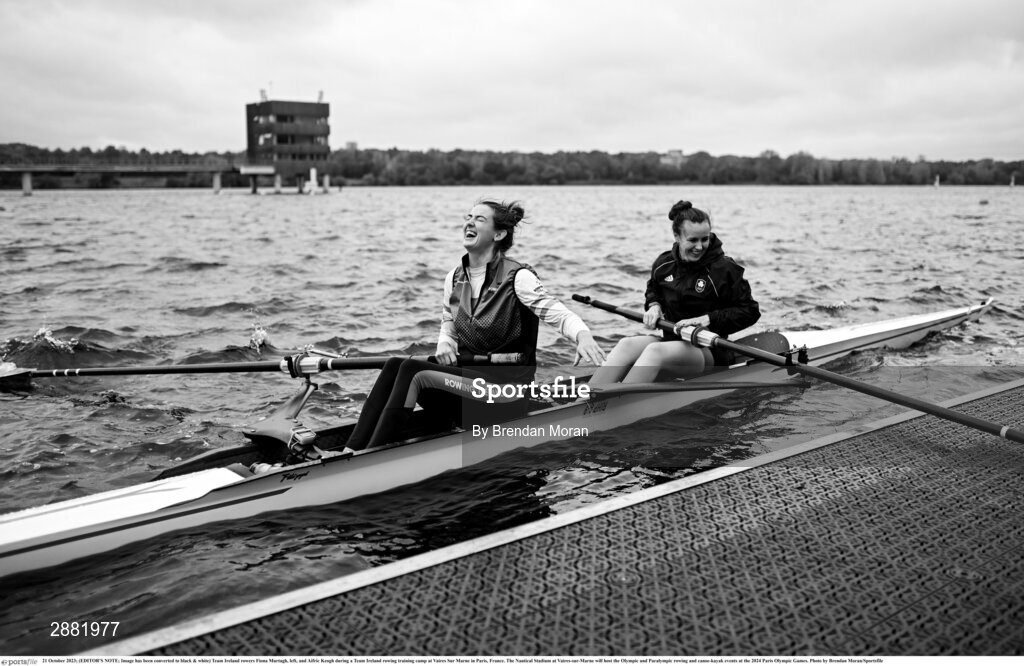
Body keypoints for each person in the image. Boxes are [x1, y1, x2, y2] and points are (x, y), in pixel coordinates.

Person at [343, 198, 606, 450]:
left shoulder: (518, 277)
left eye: (479, 219)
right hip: (469, 386)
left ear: (499, 234)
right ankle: (350, 452)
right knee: (394, 364)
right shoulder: (454, 277)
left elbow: (560, 314)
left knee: (414, 370)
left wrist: (583, 336)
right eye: (468, 217)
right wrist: (445, 343)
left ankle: (372, 458)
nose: (469, 223)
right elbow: (448, 321)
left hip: (507, 393)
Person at [589, 200, 759, 386]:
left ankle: (617, 404)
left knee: (655, 352)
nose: (700, 246)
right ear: (677, 236)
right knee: (626, 345)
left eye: (705, 239)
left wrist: (707, 319)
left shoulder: (724, 269)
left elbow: (750, 311)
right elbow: (653, 289)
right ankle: (587, 399)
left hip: (707, 350)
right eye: (693, 240)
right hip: (670, 340)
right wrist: (654, 306)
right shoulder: (664, 264)